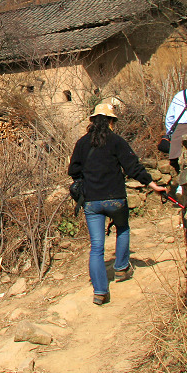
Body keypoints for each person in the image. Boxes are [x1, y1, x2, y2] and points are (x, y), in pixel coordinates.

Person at [68, 99, 167, 306]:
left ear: (93, 121)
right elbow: (133, 167)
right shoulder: (117, 142)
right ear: (112, 122)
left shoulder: (82, 144)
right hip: (116, 199)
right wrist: (153, 185)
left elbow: (73, 171)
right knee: (122, 228)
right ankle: (121, 268)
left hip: (92, 202)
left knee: (97, 248)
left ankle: (100, 292)